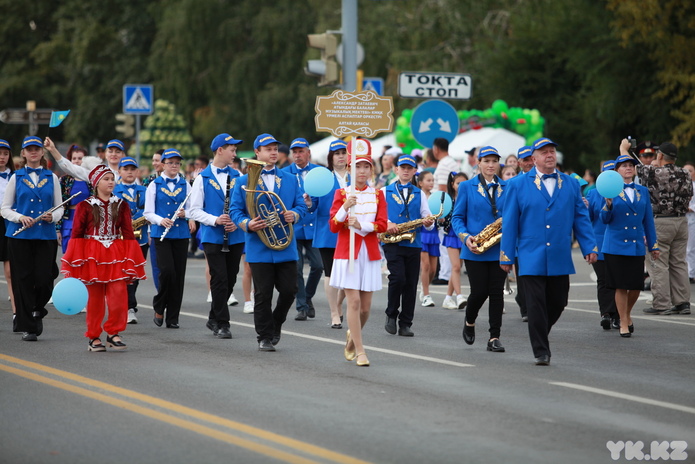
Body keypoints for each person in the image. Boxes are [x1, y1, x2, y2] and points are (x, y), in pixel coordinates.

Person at [500, 137, 597, 365]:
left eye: (552, 151)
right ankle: (541, 350)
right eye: (544, 152)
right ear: (534, 159)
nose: (550, 155)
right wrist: (506, 255)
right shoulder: (517, 185)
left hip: (559, 255)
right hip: (530, 255)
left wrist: (589, 246)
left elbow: (581, 219)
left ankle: (540, 331)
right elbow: (510, 222)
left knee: (558, 301)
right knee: (534, 305)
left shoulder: (571, 184)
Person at [230, 133, 306, 351]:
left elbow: (301, 206)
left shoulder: (291, 179)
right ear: (257, 153)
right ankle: (264, 336)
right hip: (259, 245)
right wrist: (247, 223)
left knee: (290, 290)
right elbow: (235, 210)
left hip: (285, 245)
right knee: (263, 294)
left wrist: (294, 214)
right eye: (268, 149)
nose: (273, 152)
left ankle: (275, 323)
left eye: (275, 148)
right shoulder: (243, 182)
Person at [61, 165, 146, 351]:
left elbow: (128, 233)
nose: (110, 182)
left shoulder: (121, 204)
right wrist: (76, 259)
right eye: (106, 179)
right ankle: (93, 336)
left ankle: (113, 332)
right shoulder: (85, 205)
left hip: (115, 252)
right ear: (96, 182)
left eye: (112, 179)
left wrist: (130, 258)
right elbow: (77, 233)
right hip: (92, 253)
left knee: (118, 295)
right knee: (95, 298)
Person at [330, 140, 388, 366]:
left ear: (371, 170)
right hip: (347, 254)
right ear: (350, 169)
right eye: (357, 167)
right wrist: (345, 209)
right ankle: (361, 351)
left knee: (365, 309)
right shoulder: (342, 193)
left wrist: (361, 225)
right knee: (352, 303)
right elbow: (334, 226)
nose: (362, 171)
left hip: (369, 253)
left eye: (366, 167)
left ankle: (352, 337)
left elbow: (382, 225)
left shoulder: (377, 195)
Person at [1, 137, 64, 341]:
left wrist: (52, 216)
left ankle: (37, 309)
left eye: (37, 149)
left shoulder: (52, 177)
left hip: (45, 235)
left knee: (45, 278)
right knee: (23, 280)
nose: (34, 152)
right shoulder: (16, 177)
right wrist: (20, 217)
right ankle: (27, 325)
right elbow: (4, 209)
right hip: (20, 236)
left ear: (42, 153)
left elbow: (60, 207)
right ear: (24, 153)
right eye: (30, 149)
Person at [189, 133, 245, 339]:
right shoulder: (202, 178)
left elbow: (245, 207)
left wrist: (237, 222)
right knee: (219, 277)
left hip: (235, 235)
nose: (235, 154)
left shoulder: (239, 176)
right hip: (212, 235)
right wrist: (216, 220)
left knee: (230, 279)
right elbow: (193, 210)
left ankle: (213, 317)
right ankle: (223, 323)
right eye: (232, 149)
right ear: (220, 150)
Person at [453, 146, 508, 352]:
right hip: (475, 248)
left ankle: (494, 337)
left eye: (494, 161)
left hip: (499, 248)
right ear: (479, 163)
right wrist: (466, 237)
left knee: (496, 292)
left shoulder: (507, 187)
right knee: (479, 292)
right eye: (487, 161)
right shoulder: (467, 187)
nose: (491, 165)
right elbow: (457, 217)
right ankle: (470, 320)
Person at [629, 139, 693, 316]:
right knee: (679, 262)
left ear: (661, 156)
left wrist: (623, 148)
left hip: (661, 221)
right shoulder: (686, 173)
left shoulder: (654, 172)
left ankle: (661, 303)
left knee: (659, 263)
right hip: (681, 221)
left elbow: (635, 167)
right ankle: (682, 302)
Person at [601, 154, 659, 337]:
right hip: (615, 245)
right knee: (620, 286)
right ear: (617, 170)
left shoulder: (642, 191)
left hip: (635, 245)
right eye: (624, 166)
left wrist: (654, 245)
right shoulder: (610, 190)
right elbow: (605, 220)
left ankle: (625, 314)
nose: (628, 168)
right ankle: (623, 322)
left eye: (631, 166)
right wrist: (608, 206)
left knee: (635, 286)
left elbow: (648, 220)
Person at [383, 154, 435, 337]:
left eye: (409, 168)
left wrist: (429, 222)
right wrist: (388, 223)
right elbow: (379, 216)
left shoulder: (419, 193)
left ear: (414, 171)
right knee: (397, 278)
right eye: (402, 167)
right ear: (396, 169)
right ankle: (391, 314)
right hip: (392, 242)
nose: (405, 171)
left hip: (413, 242)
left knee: (411, 283)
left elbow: (426, 214)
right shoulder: (384, 191)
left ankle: (406, 323)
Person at [144, 148, 194, 329]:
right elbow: (148, 212)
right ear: (163, 164)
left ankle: (173, 317)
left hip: (180, 234)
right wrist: (160, 220)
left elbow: (193, 209)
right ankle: (159, 306)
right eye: (170, 162)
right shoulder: (154, 185)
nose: (174, 166)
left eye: (177, 163)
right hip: (161, 235)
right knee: (167, 272)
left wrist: (185, 213)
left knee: (178, 276)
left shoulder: (186, 185)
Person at [283, 137, 323, 321]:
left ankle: (307, 297)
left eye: (301, 151)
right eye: (295, 152)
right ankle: (301, 306)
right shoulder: (284, 173)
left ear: (309, 152)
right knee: (296, 268)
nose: (298, 155)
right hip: (294, 226)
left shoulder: (320, 172)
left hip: (314, 226)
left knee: (318, 266)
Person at [313, 140, 349, 328]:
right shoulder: (324, 177)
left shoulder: (356, 177)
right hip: (328, 232)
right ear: (331, 157)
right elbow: (313, 205)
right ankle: (334, 313)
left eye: (344, 152)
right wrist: (309, 203)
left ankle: (339, 304)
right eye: (337, 153)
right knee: (331, 273)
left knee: (347, 275)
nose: (341, 156)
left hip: (352, 232)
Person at [113, 157, 149, 324]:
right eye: (125, 169)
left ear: (137, 172)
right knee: (123, 272)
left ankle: (128, 305)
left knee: (135, 273)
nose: (129, 172)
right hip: (120, 239)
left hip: (140, 238)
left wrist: (138, 219)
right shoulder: (115, 190)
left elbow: (148, 210)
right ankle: (129, 307)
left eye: (132, 169)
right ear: (119, 171)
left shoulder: (143, 190)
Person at [586, 160, 619, 330]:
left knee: (618, 280)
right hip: (598, 242)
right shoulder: (593, 194)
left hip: (619, 242)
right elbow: (588, 219)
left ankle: (618, 315)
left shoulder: (623, 192)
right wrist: (585, 207)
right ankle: (606, 313)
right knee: (604, 279)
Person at [508, 145, 534, 322]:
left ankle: (530, 303)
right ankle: (526, 307)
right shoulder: (513, 183)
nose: (529, 162)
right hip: (520, 239)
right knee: (524, 275)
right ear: (519, 163)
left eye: (531, 158)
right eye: (525, 160)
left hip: (539, 237)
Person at [440, 172, 469, 309]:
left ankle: (447, 298)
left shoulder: (469, 198)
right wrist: (441, 219)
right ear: (452, 184)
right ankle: (459, 296)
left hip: (464, 235)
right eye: (458, 183)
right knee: (456, 266)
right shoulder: (448, 200)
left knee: (457, 268)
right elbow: (441, 220)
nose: (461, 186)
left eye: (464, 183)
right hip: (451, 234)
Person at [57, 145, 91, 254]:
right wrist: (57, 229)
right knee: (70, 257)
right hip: (69, 221)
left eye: (80, 158)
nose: (76, 161)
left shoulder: (91, 179)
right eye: (74, 158)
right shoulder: (64, 180)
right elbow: (58, 204)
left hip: (87, 221)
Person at [416, 170, 440, 308]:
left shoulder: (436, 198)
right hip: (421, 233)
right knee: (425, 266)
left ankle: (424, 286)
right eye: (428, 180)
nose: (431, 183)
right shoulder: (418, 197)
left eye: (432, 180)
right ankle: (426, 295)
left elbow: (441, 215)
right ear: (420, 183)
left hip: (434, 234)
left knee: (433, 269)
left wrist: (441, 218)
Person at [0, 139, 17, 330]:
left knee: (11, 271)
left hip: (9, 222)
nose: (1, 157)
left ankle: (16, 313)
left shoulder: (15, 176)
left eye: (5, 154)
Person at [684, 162, 695, 284]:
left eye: (690, 170)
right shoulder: (680, 185)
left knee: (691, 248)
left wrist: (691, 208)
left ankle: (691, 273)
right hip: (683, 219)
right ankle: (688, 272)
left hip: (692, 219)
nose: (688, 173)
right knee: (684, 248)